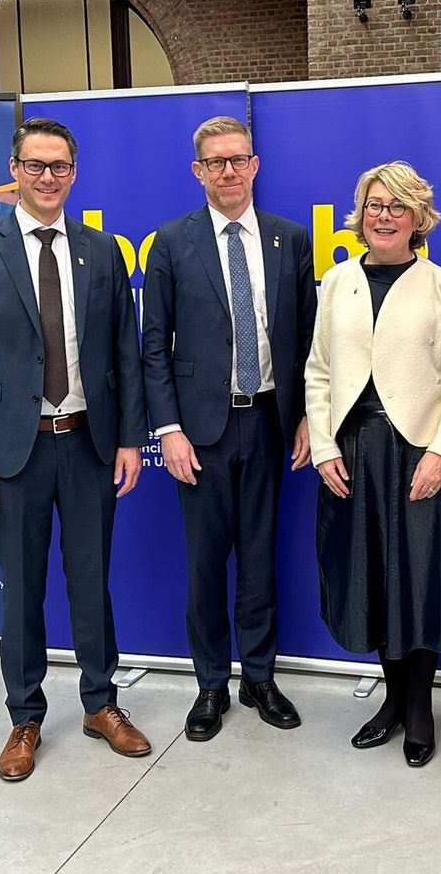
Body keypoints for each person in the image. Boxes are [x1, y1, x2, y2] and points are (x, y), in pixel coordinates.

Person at [0, 118, 150, 781]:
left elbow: (126, 352)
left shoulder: (101, 251)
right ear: (15, 169)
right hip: (14, 454)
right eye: (36, 166)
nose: (49, 177)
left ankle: (99, 703)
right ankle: (25, 718)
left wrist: (127, 440)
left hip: (87, 444)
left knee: (92, 583)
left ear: (74, 173)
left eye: (60, 166)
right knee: (21, 594)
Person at [141, 116, 317, 741]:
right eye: (215, 162)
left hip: (269, 423)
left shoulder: (290, 240)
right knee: (206, 565)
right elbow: (153, 347)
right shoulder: (170, 243)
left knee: (261, 562)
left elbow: (307, 341)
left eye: (238, 159)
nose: (228, 171)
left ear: (255, 165)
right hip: (201, 434)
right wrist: (169, 430)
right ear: (198, 172)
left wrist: (305, 420)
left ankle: (260, 678)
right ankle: (211, 684)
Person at [304, 161, 441, 767]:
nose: (383, 215)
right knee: (373, 578)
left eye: (396, 206)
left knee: (420, 579)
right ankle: (393, 701)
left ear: (417, 218)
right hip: (355, 455)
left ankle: (421, 707)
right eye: (375, 204)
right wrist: (323, 447)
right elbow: (319, 371)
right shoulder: (336, 282)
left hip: (419, 455)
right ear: (361, 213)